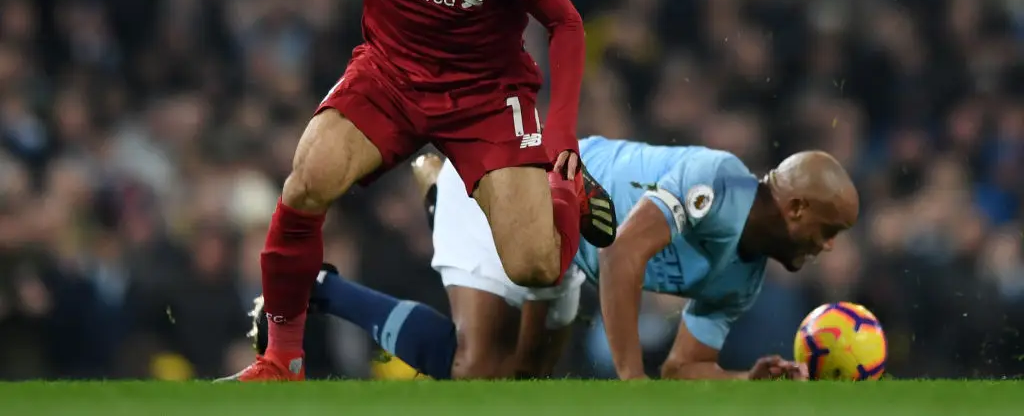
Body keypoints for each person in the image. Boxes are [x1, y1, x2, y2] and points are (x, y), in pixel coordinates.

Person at [186, 0, 618, 382]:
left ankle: (565, 191)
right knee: (307, 179)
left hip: (486, 96)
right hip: (390, 76)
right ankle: (281, 359)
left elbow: (565, 24)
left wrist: (561, 136)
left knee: (536, 267)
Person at [252, 138, 859, 380]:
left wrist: (741, 380)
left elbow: (683, 368)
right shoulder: (719, 184)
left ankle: (441, 192)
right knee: (476, 371)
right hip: (528, 190)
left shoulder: (744, 277)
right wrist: (630, 381)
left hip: (567, 252)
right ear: (797, 208)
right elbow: (625, 255)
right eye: (828, 231)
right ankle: (325, 287)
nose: (829, 247)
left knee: (522, 388)